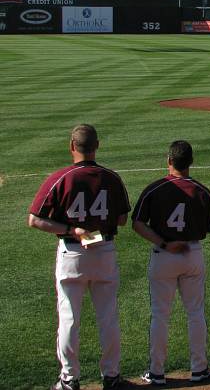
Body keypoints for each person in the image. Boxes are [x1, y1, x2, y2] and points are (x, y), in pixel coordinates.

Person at [27, 124, 130, 390]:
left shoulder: (61, 178)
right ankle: (111, 376)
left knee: (69, 317)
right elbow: (121, 219)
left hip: (72, 251)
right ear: (98, 145)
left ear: (72, 146)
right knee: (108, 316)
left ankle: (69, 379)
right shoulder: (112, 177)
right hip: (104, 251)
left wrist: (70, 229)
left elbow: (35, 220)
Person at [132, 140, 210, 386]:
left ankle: (157, 372)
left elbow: (137, 223)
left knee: (160, 315)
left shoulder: (154, 188)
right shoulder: (202, 191)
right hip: (192, 254)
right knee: (195, 313)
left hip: (164, 256)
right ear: (191, 162)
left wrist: (163, 242)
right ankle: (199, 369)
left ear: (169, 161)